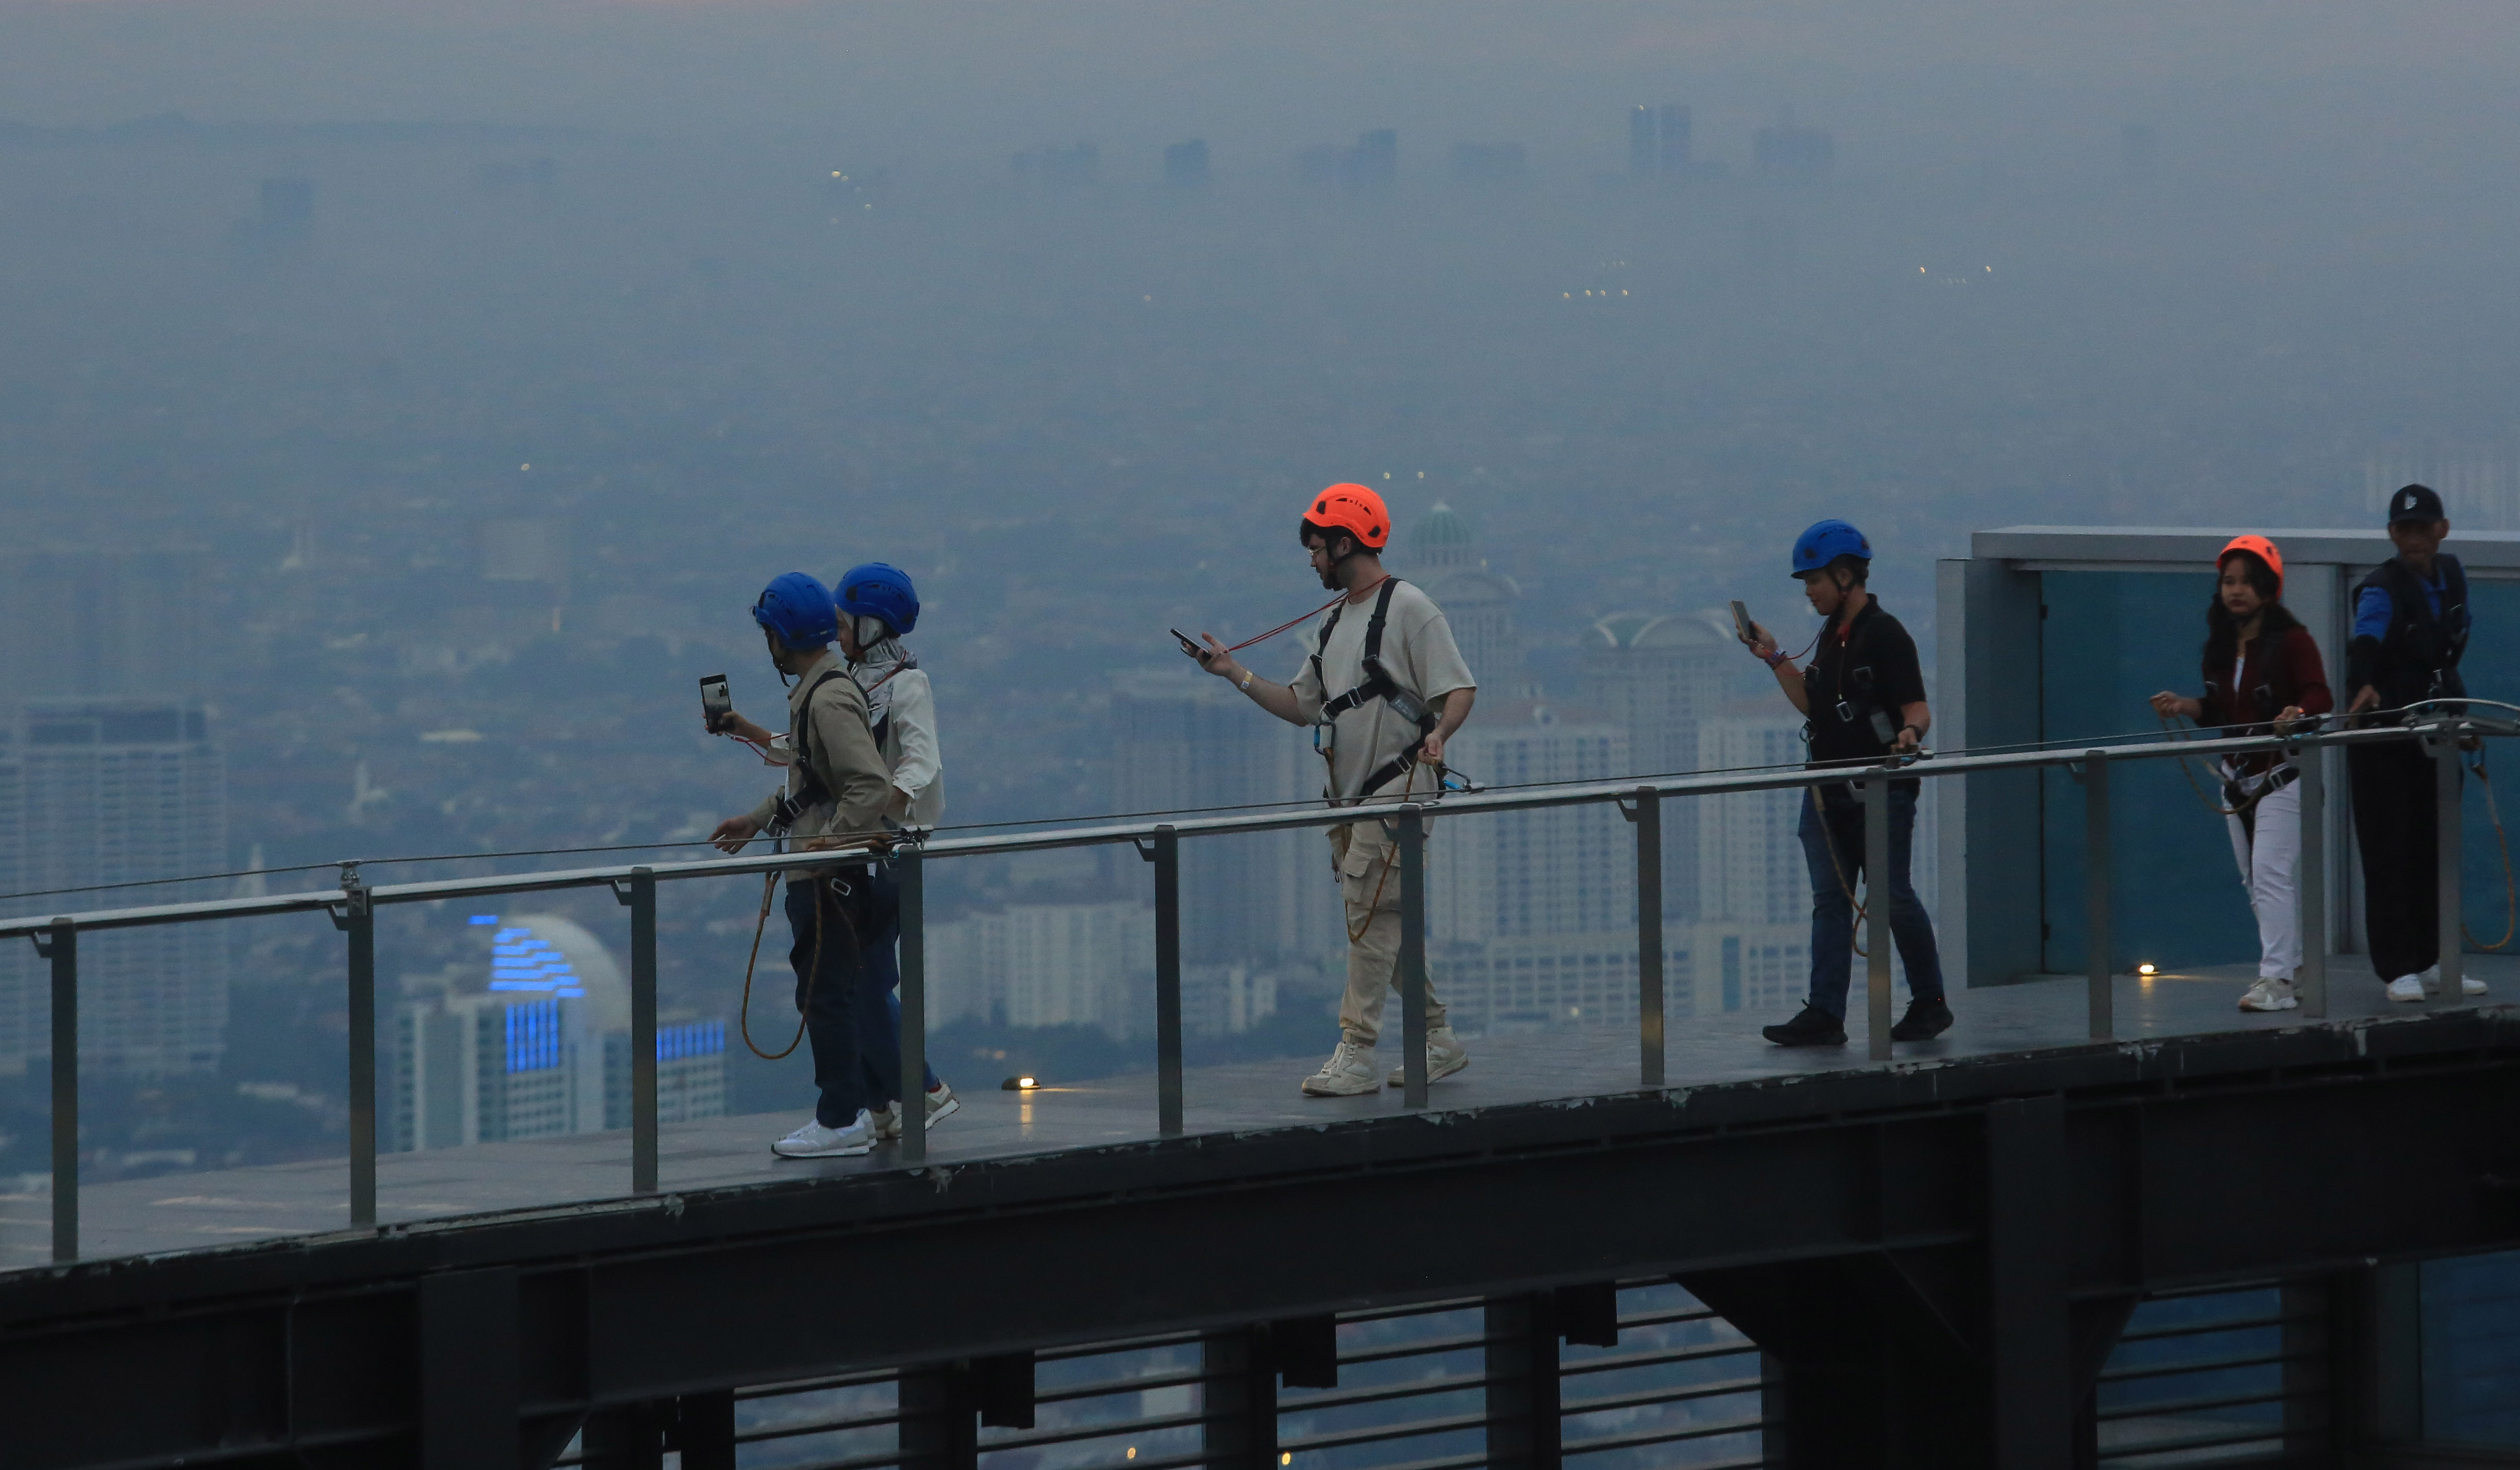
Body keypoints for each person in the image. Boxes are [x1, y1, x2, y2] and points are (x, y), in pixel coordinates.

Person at [1192, 483, 1478, 1096]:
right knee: (1383, 919)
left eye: (1319, 548)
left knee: (1369, 922)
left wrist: (1441, 737)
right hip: (1350, 800)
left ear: (1346, 543)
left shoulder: (1410, 608)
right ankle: (1439, 1039)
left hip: (1397, 792)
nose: (1312, 560)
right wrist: (1232, 674)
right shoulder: (1331, 625)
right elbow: (1302, 707)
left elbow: (1458, 689)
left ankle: (1357, 1051)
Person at [1742, 519, 1953, 1047]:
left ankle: (1929, 1003)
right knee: (1832, 900)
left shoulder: (1884, 634)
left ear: (1844, 576)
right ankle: (1825, 1013)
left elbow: (1918, 707)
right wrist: (1773, 657)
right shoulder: (1834, 637)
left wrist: (1910, 733)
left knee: (1891, 896)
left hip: (1876, 788)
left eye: (1813, 581)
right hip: (1829, 786)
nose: (1809, 592)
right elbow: (1815, 703)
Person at [709, 572, 897, 1158]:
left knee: (824, 996)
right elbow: (815, 779)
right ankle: (863, 1111)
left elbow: (868, 783)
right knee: (833, 990)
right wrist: (761, 818)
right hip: (831, 872)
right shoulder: (822, 691)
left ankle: (839, 1119)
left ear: (782, 636)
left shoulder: (830, 695)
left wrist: (831, 846)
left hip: (828, 879)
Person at [2146, 536, 2332, 1012]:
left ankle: (2277, 980)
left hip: (2283, 775)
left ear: (2268, 589)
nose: (2237, 591)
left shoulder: (2293, 641)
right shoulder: (2221, 648)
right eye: (2229, 582)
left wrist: (2298, 710)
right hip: (2238, 778)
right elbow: (2221, 711)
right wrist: (2186, 706)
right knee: (2255, 878)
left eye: (2248, 582)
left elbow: (2320, 695)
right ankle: (2292, 966)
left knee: (2269, 873)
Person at [2345, 483, 2487, 1003]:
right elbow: (2367, 638)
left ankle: (2431, 959)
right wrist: (2361, 682)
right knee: (2390, 850)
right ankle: (2397, 967)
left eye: (2423, 527)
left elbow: (2448, 653)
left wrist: (2458, 713)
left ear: (2442, 530)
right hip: (2385, 732)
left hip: (2436, 726)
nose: (2414, 538)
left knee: (2434, 847)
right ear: (2391, 534)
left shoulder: (2452, 575)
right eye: (2404, 529)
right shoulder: (2382, 586)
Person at [834, 562, 959, 1139]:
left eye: (845, 622)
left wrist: (881, 813)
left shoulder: (908, 684)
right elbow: (809, 750)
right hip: (857, 848)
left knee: (864, 982)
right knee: (850, 982)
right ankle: (882, 1108)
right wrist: (747, 730)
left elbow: (921, 759)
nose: (838, 633)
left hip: (886, 851)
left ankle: (924, 1091)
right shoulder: (850, 686)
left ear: (872, 625)